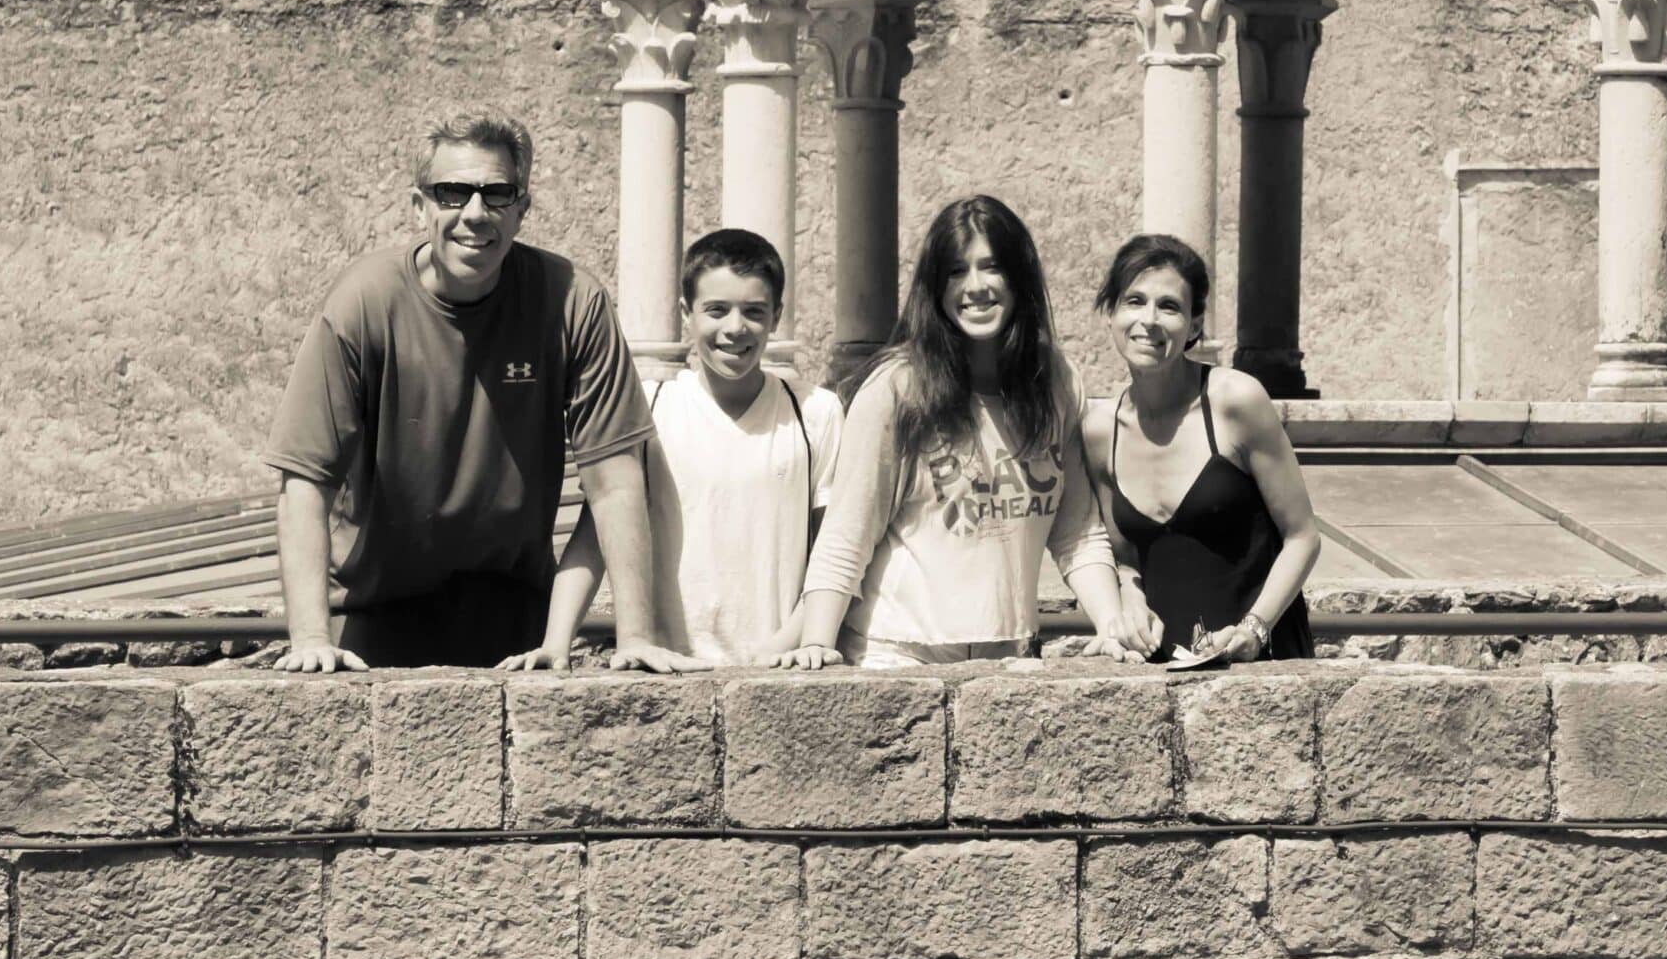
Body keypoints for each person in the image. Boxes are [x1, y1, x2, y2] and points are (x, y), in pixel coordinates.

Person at [260, 112, 701, 673]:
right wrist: (309, 639)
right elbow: (304, 480)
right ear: (419, 206)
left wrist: (635, 636)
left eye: (496, 194)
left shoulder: (572, 303)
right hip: (375, 620)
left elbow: (615, 483)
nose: (474, 213)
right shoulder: (364, 302)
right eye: (452, 192)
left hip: (516, 627)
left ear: (522, 208)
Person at [777, 195, 1161, 669]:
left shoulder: (1055, 382)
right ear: (935, 288)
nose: (975, 287)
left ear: (1019, 278)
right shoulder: (897, 388)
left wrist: (1111, 625)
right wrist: (817, 643)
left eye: (992, 267)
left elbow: (1077, 531)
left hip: (1010, 651)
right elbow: (847, 534)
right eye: (957, 271)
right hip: (897, 652)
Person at [539, 228, 842, 663]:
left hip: (779, 665)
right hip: (669, 668)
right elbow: (596, 534)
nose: (735, 328)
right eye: (716, 310)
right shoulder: (649, 406)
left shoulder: (817, 412)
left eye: (754, 312)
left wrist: (784, 647)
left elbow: (834, 554)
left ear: (777, 316)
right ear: (687, 313)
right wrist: (556, 643)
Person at [1083, 234, 1320, 662]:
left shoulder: (1236, 401)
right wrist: (1129, 597)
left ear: (1194, 325)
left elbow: (1302, 537)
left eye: (1169, 306)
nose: (1149, 320)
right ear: (1111, 314)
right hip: (1159, 672)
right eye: (1134, 301)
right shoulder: (1099, 430)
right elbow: (1125, 556)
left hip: (1263, 663)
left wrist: (1254, 629)